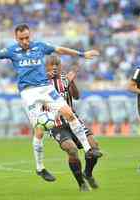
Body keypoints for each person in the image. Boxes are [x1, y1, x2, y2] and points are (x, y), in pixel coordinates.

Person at [0, 24, 99, 167]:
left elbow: (60, 49)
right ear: (16, 38)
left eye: (27, 38)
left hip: (45, 88)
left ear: (30, 35)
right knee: (39, 130)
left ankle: (87, 150)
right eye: (21, 39)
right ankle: (40, 167)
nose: (25, 41)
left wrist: (82, 54)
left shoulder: (40, 46)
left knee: (70, 114)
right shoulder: (12, 51)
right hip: (28, 93)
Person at [33, 55, 102, 191]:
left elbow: (76, 96)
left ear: (61, 66)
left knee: (94, 146)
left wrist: (71, 82)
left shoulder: (65, 79)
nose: (54, 67)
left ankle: (87, 173)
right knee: (72, 149)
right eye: (51, 64)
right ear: (45, 67)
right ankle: (81, 183)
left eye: (57, 64)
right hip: (56, 124)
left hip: (73, 120)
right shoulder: (39, 83)